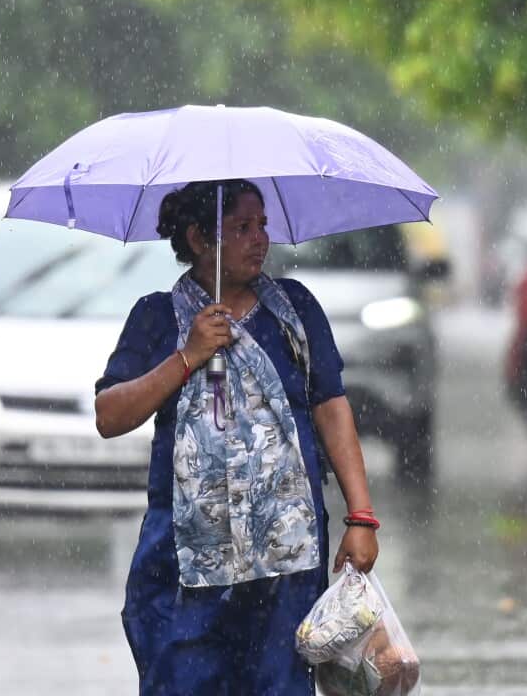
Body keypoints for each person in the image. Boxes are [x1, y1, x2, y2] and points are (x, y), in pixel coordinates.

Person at [95, 179, 380, 695]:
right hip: (184, 565)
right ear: (200, 239)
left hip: (285, 565)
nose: (260, 239)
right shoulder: (158, 317)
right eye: (242, 227)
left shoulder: (292, 311)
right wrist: (188, 355)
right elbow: (109, 416)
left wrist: (361, 517)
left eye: (263, 225)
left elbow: (331, 409)